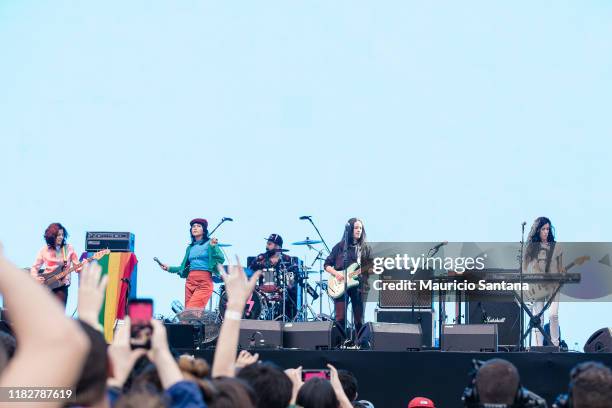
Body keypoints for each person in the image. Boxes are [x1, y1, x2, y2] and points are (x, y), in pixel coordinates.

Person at [159, 218, 225, 309]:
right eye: (193, 226)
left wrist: (213, 247)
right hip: (190, 281)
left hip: (204, 281)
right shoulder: (190, 248)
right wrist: (169, 268)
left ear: (204, 230)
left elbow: (221, 258)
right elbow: (183, 267)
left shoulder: (211, 244)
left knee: (191, 311)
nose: (195, 228)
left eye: (198, 226)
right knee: (189, 317)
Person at [324, 218, 371, 337]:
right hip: (339, 283)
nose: (359, 230)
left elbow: (371, 268)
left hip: (359, 284)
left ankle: (359, 343)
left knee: (359, 319)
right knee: (340, 317)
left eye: (360, 228)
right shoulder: (340, 246)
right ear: (349, 230)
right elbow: (327, 265)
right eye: (356, 228)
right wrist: (337, 274)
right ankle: (340, 343)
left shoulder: (365, 248)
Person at [523, 216, 564, 347]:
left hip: (553, 285)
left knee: (553, 315)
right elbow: (524, 270)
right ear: (537, 230)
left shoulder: (556, 246)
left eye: (548, 229)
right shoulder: (531, 248)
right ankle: (538, 347)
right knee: (537, 319)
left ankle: (555, 345)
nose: (546, 232)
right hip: (537, 287)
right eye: (543, 229)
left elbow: (561, 267)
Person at [31, 222, 86, 308]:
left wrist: (84, 265)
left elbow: (77, 268)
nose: (61, 237)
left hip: (62, 286)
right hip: (47, 284)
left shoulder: (69, 248)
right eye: (58, 235)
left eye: (62, 234)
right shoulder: (44, 250)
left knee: (59, 312)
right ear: (52, 236)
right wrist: (35, 278)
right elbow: (34, 268)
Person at [249, 233, 299, 320]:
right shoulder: (261, 258)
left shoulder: (288, 260)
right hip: (262, 293)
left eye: (269, 244)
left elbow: (293, 279)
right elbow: (249, 272)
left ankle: (288, 319)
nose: (266, 246)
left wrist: (290, 281)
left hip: (282, 293)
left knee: (291, 295)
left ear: (277, 246)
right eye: (267, 243)